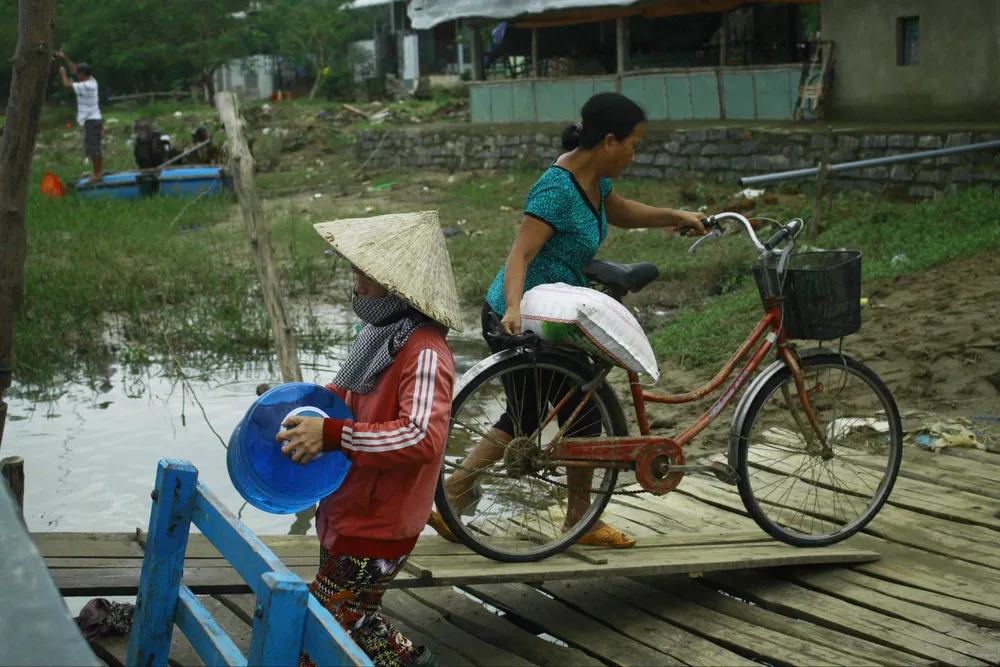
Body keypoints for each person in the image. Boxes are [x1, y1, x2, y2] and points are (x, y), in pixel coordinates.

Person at [427, 92, 707, 549]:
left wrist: (676, 216)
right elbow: (521, 252)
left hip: (554, 316)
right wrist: (514, 308)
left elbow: (621, 212)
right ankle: (460, 493)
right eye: (635, 143)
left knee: (574, 413)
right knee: (533, 414)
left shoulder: (596, 180)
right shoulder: (557, 189)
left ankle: (573, 520)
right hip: (515, 314)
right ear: (610, 141)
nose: (637, 153)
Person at [275, 211, 461, 667]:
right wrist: (300, 411)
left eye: (363, 273)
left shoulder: (425, 353)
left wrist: (333, 434)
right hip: (348, 507)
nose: (355, 283)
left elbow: (422, 437)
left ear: (396, 284)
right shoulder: (380, 333)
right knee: (359, 620)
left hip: (379, 524)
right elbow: (341, 399)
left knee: (311, 635)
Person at [57, 49, 103, 182]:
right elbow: (75, 68)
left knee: (92, 147)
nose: (76, 75)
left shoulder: (87, 86)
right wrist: (65, 58)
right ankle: (98, 171)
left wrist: (63, 74)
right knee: (94, 146)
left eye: (78, 74)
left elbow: (66, 84)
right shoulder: (92, 80)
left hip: (91, 120)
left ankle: (97, 173)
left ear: (83, 74)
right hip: (93, 119)